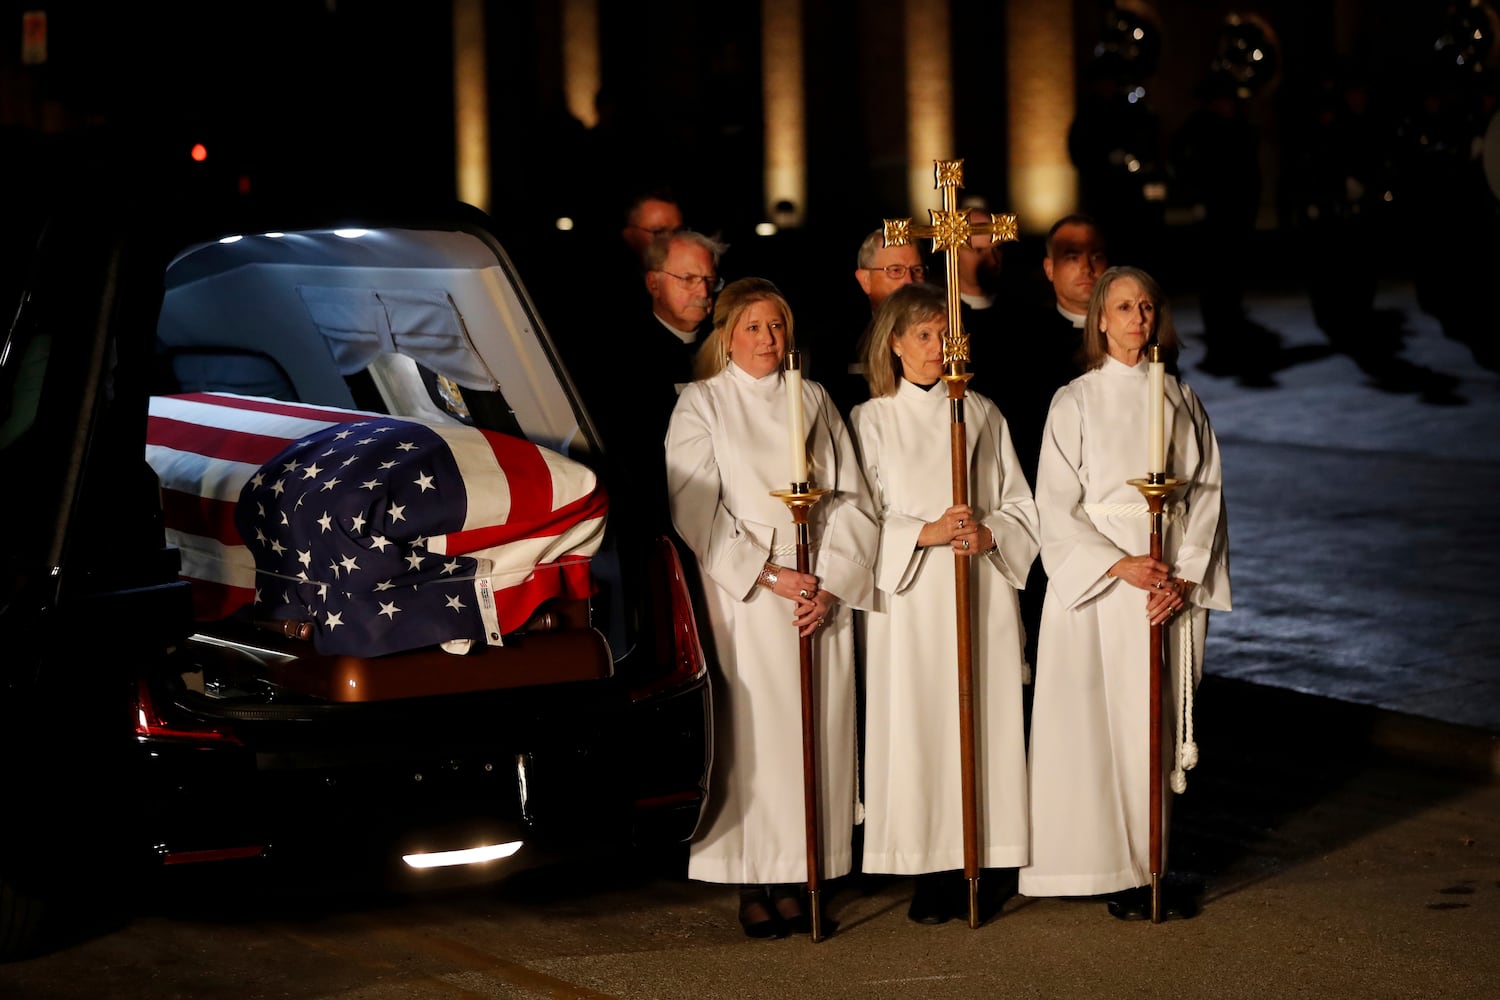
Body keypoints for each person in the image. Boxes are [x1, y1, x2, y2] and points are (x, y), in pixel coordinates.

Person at [665, 277, 878, 938]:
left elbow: (853, 500)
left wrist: (833, 579)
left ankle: (804, 870)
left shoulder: (810, 399)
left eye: (777, 327)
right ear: (727, 335)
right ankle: (753, 877)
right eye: (754, 327)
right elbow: (694, 504)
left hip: (815, 589)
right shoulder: (702, 404)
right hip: (748, 599)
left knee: (815, 729)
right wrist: (767, 574)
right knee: (756, 737)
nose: (767, 339)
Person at [1018, 266, 1231, 920]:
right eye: (1122, 307)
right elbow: (1055, 504)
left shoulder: (1181, 399)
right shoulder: (1073, 401)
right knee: (1096, 730)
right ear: (1100, 321)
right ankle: (1104, 865)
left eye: (1145, 306)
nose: (1136, 317)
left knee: (1152, 725)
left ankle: (1151, 863)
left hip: (1162, 584)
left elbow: (1206, 495)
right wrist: (1119, 565)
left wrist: (1182, 574)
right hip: (1102, 587)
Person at [849, 283, 1039, 924]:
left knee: (980, 719)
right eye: (923, 335)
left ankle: (983, 860)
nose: (936, 348)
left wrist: (991, 534)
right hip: (913, 594)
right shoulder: (871, 420)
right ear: (895, 343)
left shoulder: (982, 412)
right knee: (921, 723)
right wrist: (923, 532)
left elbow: (1018, 503)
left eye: (944, 334)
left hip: (977, 586)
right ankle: (929, 867)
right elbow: (857, 517)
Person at [825, 229, 928, 418]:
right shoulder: (837, 342)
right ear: (865, 280)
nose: (909, 282)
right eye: (896, 271)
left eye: (917, 270)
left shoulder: (947, 333)